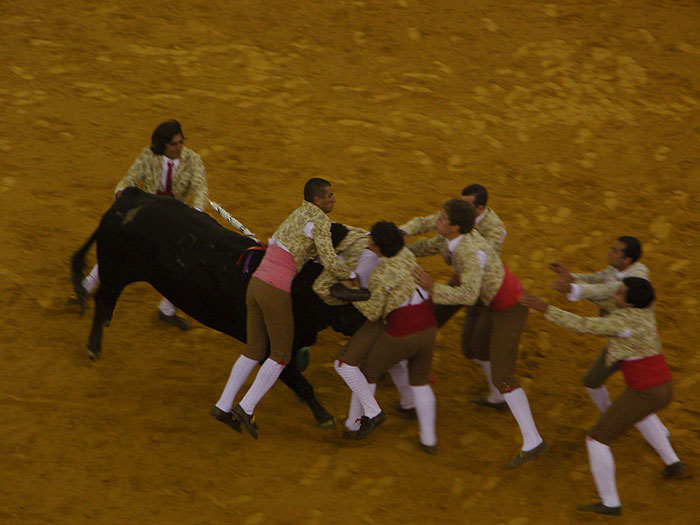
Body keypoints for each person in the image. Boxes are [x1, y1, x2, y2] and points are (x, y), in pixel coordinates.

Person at [520, 278, 685, 516]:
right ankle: (673, 464)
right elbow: (606, 299)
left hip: (645, 392)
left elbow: (584, 325)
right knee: (640, 415)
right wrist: (574, 287)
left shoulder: (623, 322)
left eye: (620, 293)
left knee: (597, 440)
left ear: (629, 303)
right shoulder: (646, 309)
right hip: (664, 387)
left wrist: (545, 308)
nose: (615, 296)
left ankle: (610, 503)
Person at [211, 178, 353, 438]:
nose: (334, 199)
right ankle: (246, 406)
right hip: (275, 289)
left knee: (254, 350)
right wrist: (350, 275)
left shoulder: (296, 214)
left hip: (255, 284)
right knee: (281, 355)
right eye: (330, 196)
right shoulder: (320, 220)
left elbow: (274, 241)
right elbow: (330, 259)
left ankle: (222, 406)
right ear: (318, 200)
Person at [412, 199, 547, 467]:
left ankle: (534, 440)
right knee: (473, 349)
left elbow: (468, 294)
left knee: (504, 375)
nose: (437, 220)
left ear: (454, 227)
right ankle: (497, 399)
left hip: (510, 308)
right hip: (495, 302)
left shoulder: (468, 252)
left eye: (442, 217)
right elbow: (425, 245)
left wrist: (432, 287)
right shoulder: (456, 238)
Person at [77, 119, 209, 330]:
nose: (179, 147)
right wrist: (121, 195)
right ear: (162, 145)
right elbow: (128, 180)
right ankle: (86, 286)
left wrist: (197, 213)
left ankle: (167, 309)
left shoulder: (193, 160)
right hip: (147, 215)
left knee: (185, 262)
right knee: (119, 249)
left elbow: (201, 189)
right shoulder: (148, 156)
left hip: (175, 219)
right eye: (174, 144)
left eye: (181, 142)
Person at [334, 222, 438, 452]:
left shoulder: (380, 273)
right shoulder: (407, 255)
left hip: (403, 331)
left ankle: (359, 421)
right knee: (420, 382)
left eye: (372, 242)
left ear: (379, 248)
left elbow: (374, 312)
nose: (369, 243)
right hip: (429, 325)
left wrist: (351, 295)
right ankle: (429, 440)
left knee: (367, 372)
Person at [400, 183, 506, 253]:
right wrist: (403, 232)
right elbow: (425, 223)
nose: (460, 206)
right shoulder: (458, 211)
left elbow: (486, 256)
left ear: (479, 208)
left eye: (466, 204)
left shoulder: (495, 228)